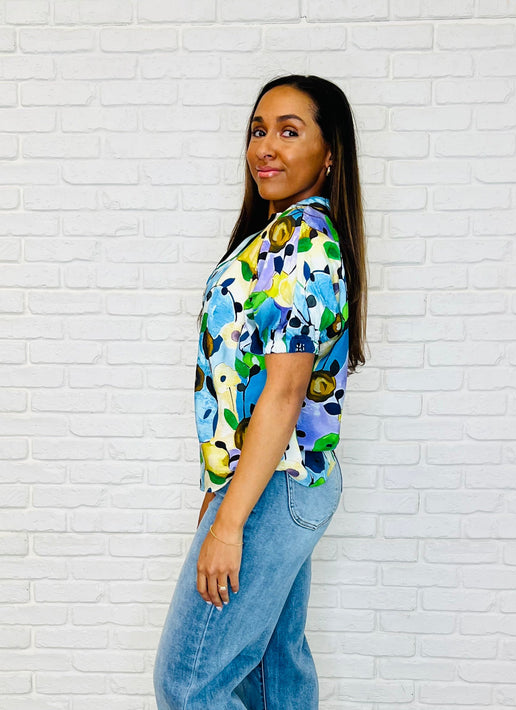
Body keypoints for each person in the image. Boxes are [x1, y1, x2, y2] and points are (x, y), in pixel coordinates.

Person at [153, 74, 368, 709]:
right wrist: (220, 488)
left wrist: (230, 522)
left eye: (289, 131)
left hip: (275, 482)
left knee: (188, 684)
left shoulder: (302, 243)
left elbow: (284, 394)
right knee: (276, 676)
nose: (265, 147)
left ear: (329, 155)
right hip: (276, 479)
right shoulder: (281, 237)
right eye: (257, 130)